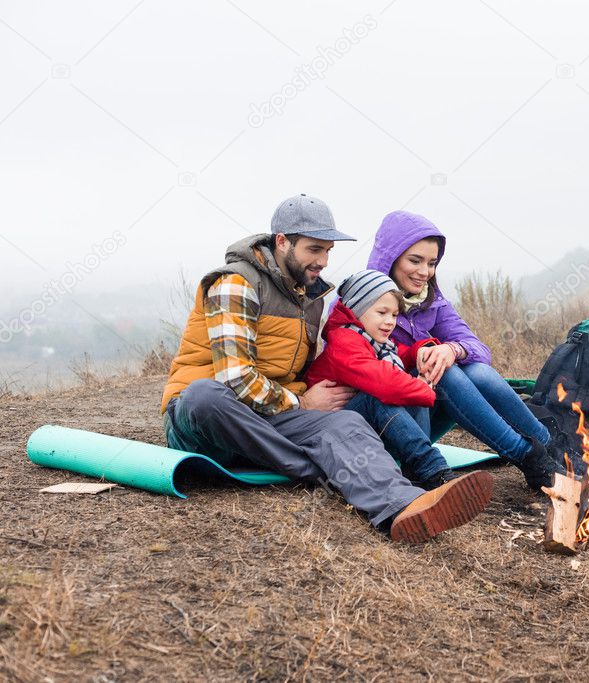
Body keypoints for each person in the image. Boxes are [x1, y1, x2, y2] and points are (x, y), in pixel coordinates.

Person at [160, 194, 492, 542]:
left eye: (328, 250)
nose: (323, 260)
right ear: (282, 241)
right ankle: (321, 468)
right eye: (314, 249)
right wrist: (300, 403)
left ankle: (403, 506)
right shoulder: (235, 284)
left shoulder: (309, 297)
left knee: (344, 423)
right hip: (212, 415)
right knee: (204, 395)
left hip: (270, 418)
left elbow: (302, 371)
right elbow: (236, 378)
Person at [367, 210, 565, 491]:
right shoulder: (362, 300)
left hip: (422, 410)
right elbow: (362, 366)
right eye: (415, 260)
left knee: (476, 370)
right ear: (390, 256)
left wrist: (452, 349)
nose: (424, 272)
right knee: (443, 373)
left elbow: (479, 349)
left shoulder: (431, 301)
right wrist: (424, 358)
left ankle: (548, 445)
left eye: (432, 263)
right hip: (386, 422)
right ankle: (527, 456)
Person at [305, 269, 461, 490]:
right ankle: (432, 469)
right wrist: (424, 390)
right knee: (382, 396)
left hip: (359, 425)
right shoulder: (344, 340)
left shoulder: (375, 341)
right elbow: (382, 381)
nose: (390, 322)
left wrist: (421, 352)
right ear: (357, 310)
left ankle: (415, 469)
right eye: (382, 312)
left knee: (409, 384)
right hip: (332, 430)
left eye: (395, 315)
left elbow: (400, 353)